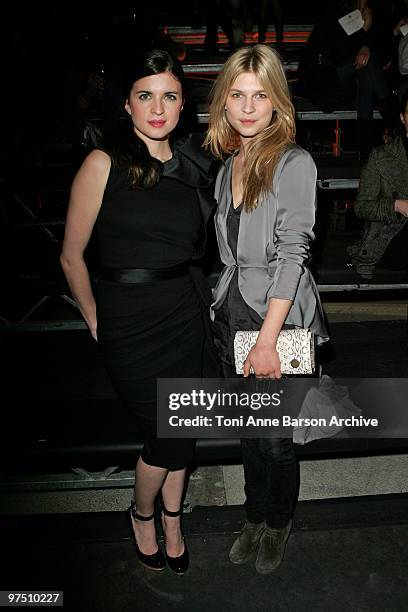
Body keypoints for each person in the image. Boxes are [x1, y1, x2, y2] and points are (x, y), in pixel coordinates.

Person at [60, 49, 218, 575]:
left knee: (183, 425)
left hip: (185, 312)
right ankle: (142, 512)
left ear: (181, 106)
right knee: (164, 433)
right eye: (145, 95)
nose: (157, 107)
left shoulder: (197, 165)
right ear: (126, 104)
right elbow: (71, 255)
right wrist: (94, 318)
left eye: (169, 96)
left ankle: (173, 517)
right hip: (129, 321)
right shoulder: (102, 163)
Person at [204, 44, 329, 574]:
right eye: (238, 94)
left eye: (260, 95)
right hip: (233, 317)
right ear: (223, 102)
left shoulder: (294, 161)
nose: (249, 106)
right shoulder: (229, 164)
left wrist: (267, 339)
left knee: (277, 440)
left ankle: (278, 522)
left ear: (278, 101)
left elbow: (293, 253)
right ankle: (254, 515)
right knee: (250, 434)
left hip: (279, 323)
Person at [347, 92, 408, 280]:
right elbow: (362, 207)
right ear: (402, 118)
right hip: (393, 235)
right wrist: (396, 205)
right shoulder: (381, 156)